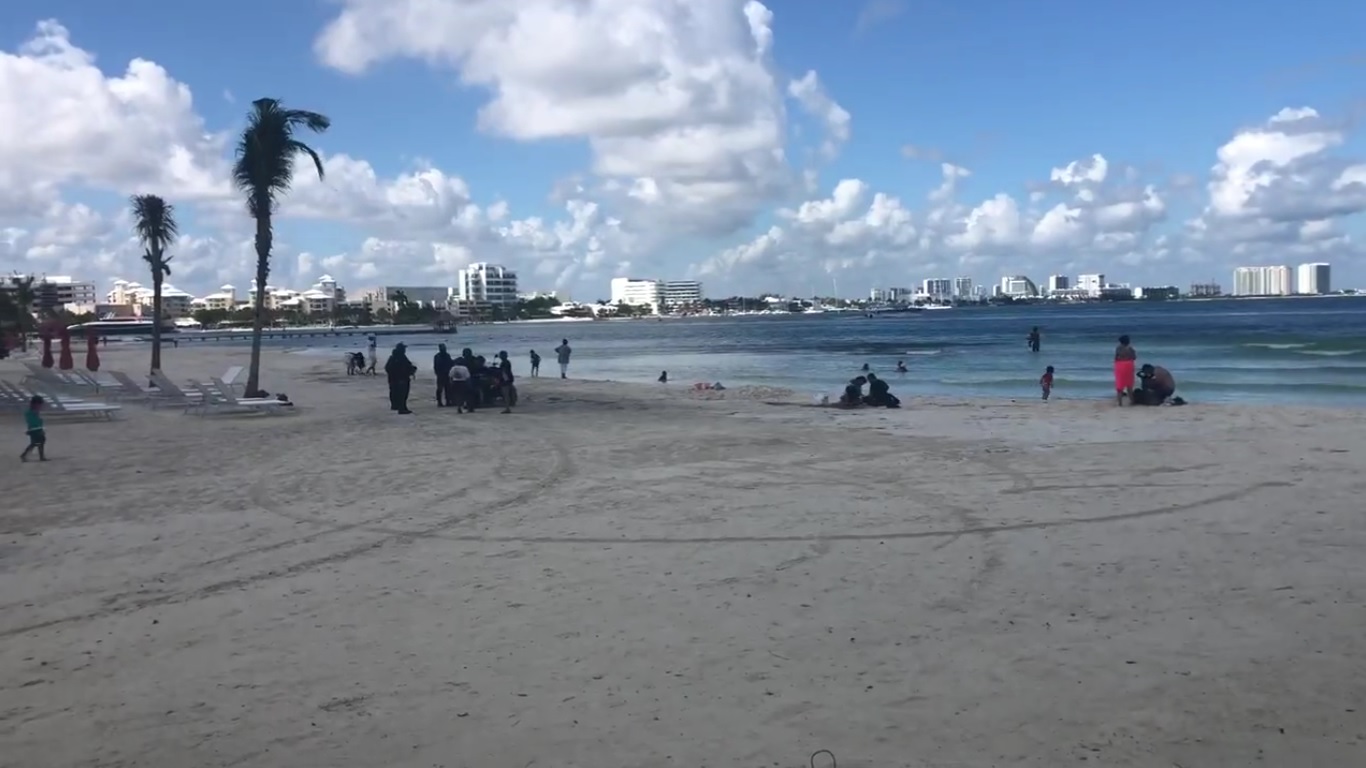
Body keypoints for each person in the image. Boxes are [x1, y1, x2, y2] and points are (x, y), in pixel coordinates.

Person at [384, 343, 417, 414]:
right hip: (401, 379)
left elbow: (388, 368)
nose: (405, 350)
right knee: (402, 394)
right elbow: (405, 367)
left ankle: (395, 405)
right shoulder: (400, 357)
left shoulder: (393, 357)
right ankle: (402, 408)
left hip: (394, 379)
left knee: (395, 393)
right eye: (404, 349)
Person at [20, 396, 46, 462]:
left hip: (36, 429)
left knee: (37, 442)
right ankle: (40, 457)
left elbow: (37, 421)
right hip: (34, 429)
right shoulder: (31, 412)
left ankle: (41, 456)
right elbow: (33, 422)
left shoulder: (33, 411)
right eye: (39, 404)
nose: (40, 406)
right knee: (36, 442)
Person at [1113, 334, 1137, 406]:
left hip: (1120, 365)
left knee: (1119, 384)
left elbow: (1116, 357)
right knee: (1129, 385)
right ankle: (1132, 401)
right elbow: (1134, 357)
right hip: (1129, 365)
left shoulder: (1118, 348)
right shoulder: (1131, 349)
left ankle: (1120, 403)